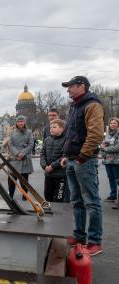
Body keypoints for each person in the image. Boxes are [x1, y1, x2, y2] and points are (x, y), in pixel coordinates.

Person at [60, 76, 104, 256]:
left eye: (70, 86)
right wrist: (66, 155)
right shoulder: (74, 106)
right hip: (72, 159)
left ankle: (95, 241)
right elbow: (70, 134)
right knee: (76, 201)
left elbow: (95, 134)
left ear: (82, 86)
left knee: (91, 201)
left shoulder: (92, 104)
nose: (68, 90)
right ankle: (79, 236)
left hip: (83, 160)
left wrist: (81, 157)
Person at [40, 119, 69, 202]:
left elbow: (64, 155)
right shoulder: (47, 140)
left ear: (62, 129)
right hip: (49, 174)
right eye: (50, 127)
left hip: (60, 175)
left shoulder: (66, 140)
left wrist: (52, 166)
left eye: (54, 127)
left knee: (59, 197)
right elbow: (42, 154)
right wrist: (45, 166)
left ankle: (59, 214)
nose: (51, 129)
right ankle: (51, 212)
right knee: (48, 195)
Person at [7, 115, 34, 200]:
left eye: (22, 121)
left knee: (24, 181)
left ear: (24, 122)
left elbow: (31, 145)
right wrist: (17, 153)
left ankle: (25, 196)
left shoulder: (29, 132)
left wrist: (22, 153)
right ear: (16, 123)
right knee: (11, 180)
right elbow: (10, 145)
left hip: (24, 159)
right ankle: (10, 195)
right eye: (18, 121)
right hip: (14, 159)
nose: (20, 123)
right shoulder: (12, 132)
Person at [100, 117, 119, 202]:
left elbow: (117, 147)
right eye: (111, 123)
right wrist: (103, 153)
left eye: (114, 123)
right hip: (107, 160)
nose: (112, 125)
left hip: (116, 161)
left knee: (117, 179)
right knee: (111, 178)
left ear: (118, 124)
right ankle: (113, 195)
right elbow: (102, 146)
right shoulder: (108, 135)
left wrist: (106, 149)